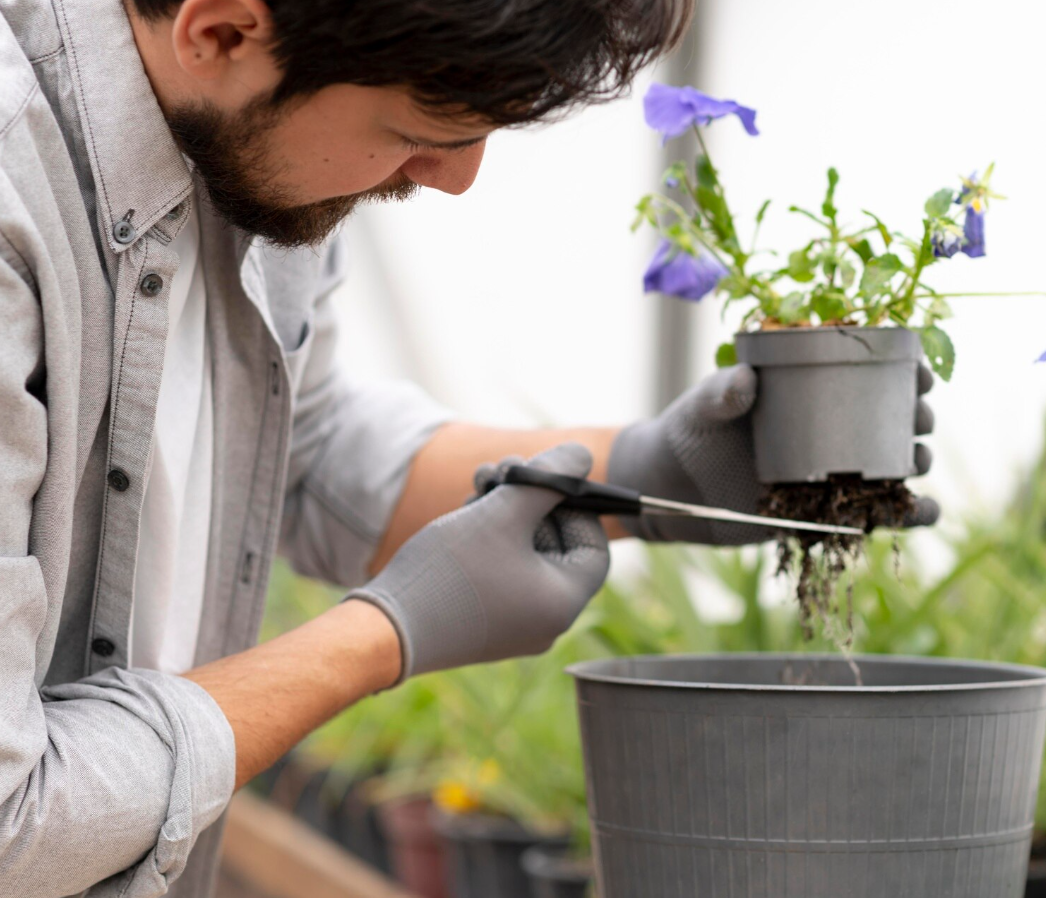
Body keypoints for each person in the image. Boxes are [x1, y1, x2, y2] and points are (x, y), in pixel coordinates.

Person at [0, 0, 935, 895]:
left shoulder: (256, 139)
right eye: (421, 130)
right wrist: (382, 636)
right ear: (225, 29)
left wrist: (649, 473)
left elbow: (298, 448)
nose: (458, 177)